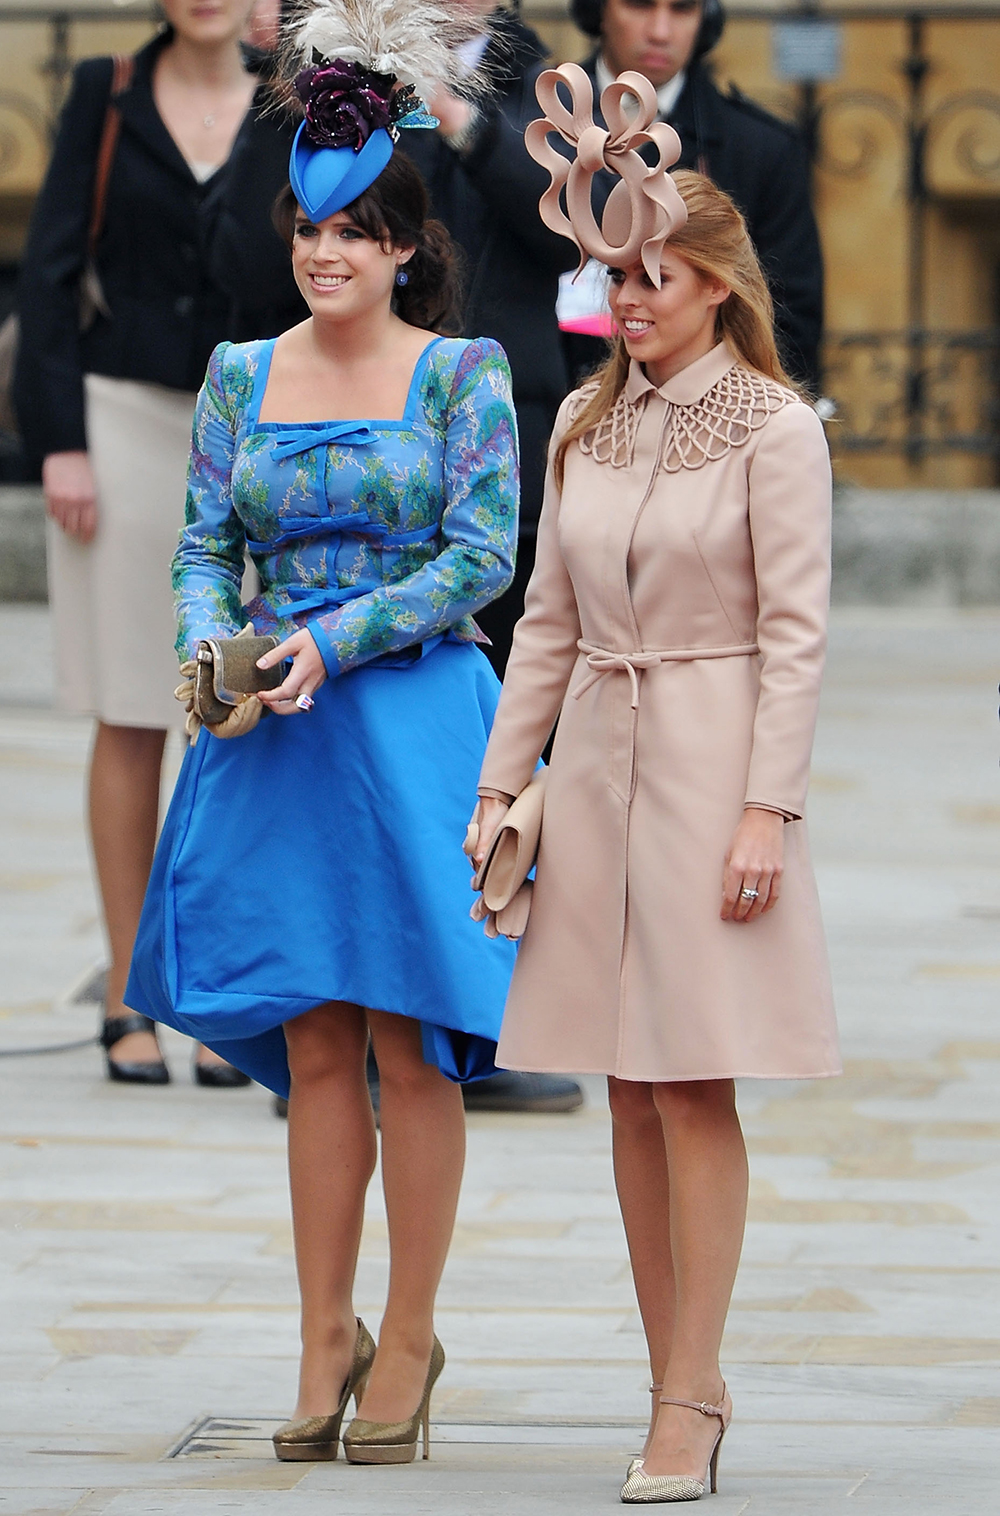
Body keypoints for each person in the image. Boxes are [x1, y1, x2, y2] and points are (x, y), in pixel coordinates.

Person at [125, 10, 520, 1465]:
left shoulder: (466, 375)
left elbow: (483, 557)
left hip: (411, 726)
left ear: (408, 243)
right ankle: (321, 1331)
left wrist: (333, 641)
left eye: (356, 230)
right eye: (308, 227)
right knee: (311, 1039)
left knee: (411, 1045)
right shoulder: (240, 374)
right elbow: (198, 548)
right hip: (273, 738)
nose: (325, 252)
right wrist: (204, 650)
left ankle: (410, 1335)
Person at [472, 65, 839, 1503]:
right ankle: (667, 1375)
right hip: (602, 771)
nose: (627, 300)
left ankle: (693, 1391)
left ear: (713, 285)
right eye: (612, 275)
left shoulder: (775, 428)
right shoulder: (579, 425)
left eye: (654, 277)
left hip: (711, 764)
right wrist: (504, 793)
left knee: (692, 1087)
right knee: (622, 1092)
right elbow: (546, 628)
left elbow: (800, 637)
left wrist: (770, 809)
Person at [13, 0, 304, 1086]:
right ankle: (132, 989)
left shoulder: (291, 100)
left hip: (259, 419)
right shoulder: (107, 92)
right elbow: (46, 272)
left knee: (238, 712)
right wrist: (59, 442)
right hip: (120, 419)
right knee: (135, 709)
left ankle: (223, 993)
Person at [398, 0, 586, 1116]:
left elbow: (579, 231)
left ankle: (497, 1010)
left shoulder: (544, 82)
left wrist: (464, 126)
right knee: (396, 740)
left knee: (509, 740)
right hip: (381, 442)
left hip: (511, 443)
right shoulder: (346, 62)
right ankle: (372, 1016)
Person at [566, 0, 824, 394]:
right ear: (597, 9)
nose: (660, 32)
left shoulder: (761, 150)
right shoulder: (529, 126)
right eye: (639, 5)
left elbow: (787, 320)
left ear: (708, 19)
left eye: (682, 9)